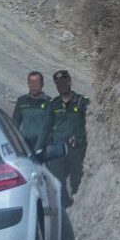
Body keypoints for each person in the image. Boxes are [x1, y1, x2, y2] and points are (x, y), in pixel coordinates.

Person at [41, 69, 89, 208]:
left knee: (77, 180)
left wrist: (81, 138)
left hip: (76, 148)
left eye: (63, 82)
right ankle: (66, 207)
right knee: (57, 180)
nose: (61, 85)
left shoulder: (81, 102)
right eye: (58, 83)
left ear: (69, 82)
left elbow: (91, 124)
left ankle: (79, 207)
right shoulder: (53, 104)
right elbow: (46, 127)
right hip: (58, 149)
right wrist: (38, 148)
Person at [11, 71, 51, 150]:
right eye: (31, 83)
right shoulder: (21, 101)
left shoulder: (50, 103)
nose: (34, 86)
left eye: (36, 84)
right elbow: (15, 124)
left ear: (42, 84)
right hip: (25, 147)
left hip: (44, 147)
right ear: (28, 84)